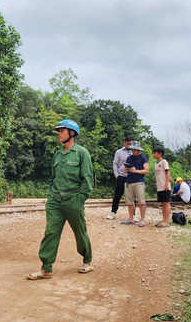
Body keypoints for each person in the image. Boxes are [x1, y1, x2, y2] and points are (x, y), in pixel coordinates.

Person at [27, 119, 95, 280]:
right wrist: (51, 194)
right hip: (55, 201)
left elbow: (88, 180)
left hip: (73, 200)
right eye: (58, 131)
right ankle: (46, 268)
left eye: (62, 131)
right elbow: (52, 177)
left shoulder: (81, 153)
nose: (59, 134)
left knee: (80, 231)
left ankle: (87, 261)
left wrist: (80, 198)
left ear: (72, 133)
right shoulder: (57, 154)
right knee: (51, 232)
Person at [122, 141, 149, 227]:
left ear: (138, 150)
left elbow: (146, 170)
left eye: (134, 149)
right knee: (129, 202)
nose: (133, 151)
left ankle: (142, 219)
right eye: (132, 149)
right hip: (129, 181)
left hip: (139, 181)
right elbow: (125, 169)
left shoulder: (143, 158)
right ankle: (130, 218)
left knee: (141, 201)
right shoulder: (129, 158)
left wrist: (135, 171)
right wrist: (126, 170)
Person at [107, 135, 133, 220]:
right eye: (128, 143)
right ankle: (113, 212)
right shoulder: (119, 152)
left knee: (132, 196)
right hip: (121, 176)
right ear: (124, 142)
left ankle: (133, 214)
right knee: (117, 195)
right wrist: (116, 175)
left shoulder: (134, 152)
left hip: (131, 176)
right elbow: (115, 163)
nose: (129, 145)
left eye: (130, 144)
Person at [152, 146, 171, 228]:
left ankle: (166, 221)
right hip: (159, 187)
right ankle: (163, 220)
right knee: (163, 203)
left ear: (160, 154)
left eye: (155, 153)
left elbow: (168, 172)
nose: (153, 154)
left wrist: (166, 183)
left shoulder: (164, 162)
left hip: (165, 186)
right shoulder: (156, 163)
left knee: (166, 203)